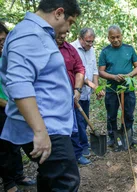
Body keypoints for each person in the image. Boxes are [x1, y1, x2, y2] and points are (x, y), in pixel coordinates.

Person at [0, 1, 81, 191]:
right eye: (69, 22)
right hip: (46, 126)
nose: (68, 28)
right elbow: (19, 83)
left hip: (50, 124)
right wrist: (39, 131)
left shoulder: (36, 33)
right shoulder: (29, 34)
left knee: (51, 177)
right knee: (65, 181)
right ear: (59, 13)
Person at [0, 22, 36, 192]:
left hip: (15, 106)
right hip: (4, 108)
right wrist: (10, 105)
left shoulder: (8, 56)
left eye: (3, 39)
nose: (1, 42)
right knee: (5, 146)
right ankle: (9, 183)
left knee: (19, 142)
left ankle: (19, 174)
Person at [99, 25, 137, 150]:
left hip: (128, 89)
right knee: (111, 115)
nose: (116, 39)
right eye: (113, 37)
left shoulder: (129, 49)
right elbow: (101, 71)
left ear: (121, 36)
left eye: (118, 37)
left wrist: (128, 75)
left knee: (128, 114)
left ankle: (127, 136)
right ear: (108, 38)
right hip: (112, 89)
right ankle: (112, 138)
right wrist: (113, 77)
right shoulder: (105, 51)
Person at [56, 32, 92, 165]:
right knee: (57, 130)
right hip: (51, 99)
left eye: (65, 33)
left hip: (69, 95)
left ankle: (77, 155)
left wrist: (77, 89)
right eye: (60, 32)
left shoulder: (70, 49)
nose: (63, 35)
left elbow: (79, 69)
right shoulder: (43, 48)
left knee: (74, 126)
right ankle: (61, 157)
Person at [71, 28, 104, 157]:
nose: (90, 44)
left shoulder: (92, 50)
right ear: (80, 39)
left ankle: (82, 142)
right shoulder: (72, 48)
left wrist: (97, 88)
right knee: (78, 120)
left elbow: (94, 70)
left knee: (85, 120)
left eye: (92, 42)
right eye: (88, 42)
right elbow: (76, 72)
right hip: (76, 91)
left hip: (87, 93)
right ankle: (82, 147)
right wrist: (92, 85)